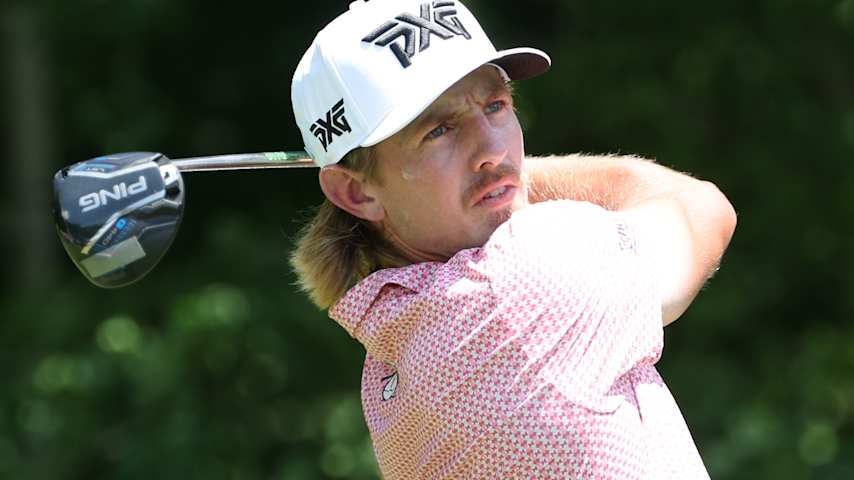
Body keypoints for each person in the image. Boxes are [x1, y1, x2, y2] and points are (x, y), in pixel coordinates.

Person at [289, 0, 736, 478]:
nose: (494, 148)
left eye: (496, 105)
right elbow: (700, 207)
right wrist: (513, 178)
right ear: (355, 192)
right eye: (439, 130)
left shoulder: (391, 352)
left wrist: (496, 180)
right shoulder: (523, 281)